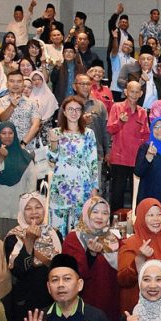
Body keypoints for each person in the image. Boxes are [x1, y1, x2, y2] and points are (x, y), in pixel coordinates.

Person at [4, 191, 62, 321]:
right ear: (21, 211)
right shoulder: (13, 237)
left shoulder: (55, 234)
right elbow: (18, 271)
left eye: (38, 207)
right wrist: (29, 240)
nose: (34, 212)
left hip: (51, 299)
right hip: (25, 302)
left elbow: (60, 266)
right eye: (28, 208)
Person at [62, 196, 120, 321]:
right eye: (95, 212)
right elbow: (72, 274)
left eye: (104, 213)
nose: (100, 217)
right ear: (86, 213)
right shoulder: (73, 238)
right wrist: (91, 254)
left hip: (110, 306)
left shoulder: (113, 240)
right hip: (84, 306)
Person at [118, 198, 161, 312]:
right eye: (150, 215)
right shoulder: (130, 244)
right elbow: (123, 280)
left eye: (159, 214)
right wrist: (139, 259)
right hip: (138, 311)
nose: (156, 219)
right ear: (141, 217)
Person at [47, 96, 99, 237]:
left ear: (82, 112)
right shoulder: (55, 132)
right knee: (57, 230)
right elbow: (51, 161)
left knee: (80, 229)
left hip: (82, 186)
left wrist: (94, 188)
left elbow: (93, 163)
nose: (74, 112)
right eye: (70, 109)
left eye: (77, 109)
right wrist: (53, 143)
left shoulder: (88, 134)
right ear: (64, 112)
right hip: (61, 185)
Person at [0, 121, 36, 237]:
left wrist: (28, 204)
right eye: (3, 133)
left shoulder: (24, 156)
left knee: (14, 242)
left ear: (15, 135)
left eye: (10, 133)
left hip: (16, 208)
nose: (7, 136)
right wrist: (0, 158)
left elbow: (32, 182)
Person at [106, 81, 149, 211]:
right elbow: (110, 129)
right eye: (131, 91)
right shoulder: (116, 107)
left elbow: (146, 135)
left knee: (136, 194)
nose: (134, 95)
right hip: (119, 158)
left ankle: (135, 219)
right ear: (126, 92)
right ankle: (115, 219)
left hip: (136, 159)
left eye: (137, 92)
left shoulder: (143, 112)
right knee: (117, 194)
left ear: (141, 94)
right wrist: (120, 122)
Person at [0, 70, 41, 151]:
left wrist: (23, 143)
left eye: (19, 81)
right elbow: (2, 118)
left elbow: (36, 125)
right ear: (7, 84)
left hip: (26, 147)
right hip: (5, 148)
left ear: (23, 84)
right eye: (12, 81)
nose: (15, 84)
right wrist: (12, 105)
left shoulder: (32, 103)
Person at [29, 70, 58, 146]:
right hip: (30, 129)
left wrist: (40, 123)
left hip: (46, 129)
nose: (37, 81)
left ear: (43, 80)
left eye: (39, 79)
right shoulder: (28, 95)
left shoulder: (50, 96)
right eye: (34, 79)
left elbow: (52, 113)